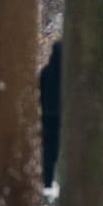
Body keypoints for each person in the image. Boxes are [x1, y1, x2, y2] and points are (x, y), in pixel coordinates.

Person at [39, 39, 63, 188]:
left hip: (47, 117)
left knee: (49, 153)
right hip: (61, 118)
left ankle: (47, 183)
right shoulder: (69, 74)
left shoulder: (45, 72)